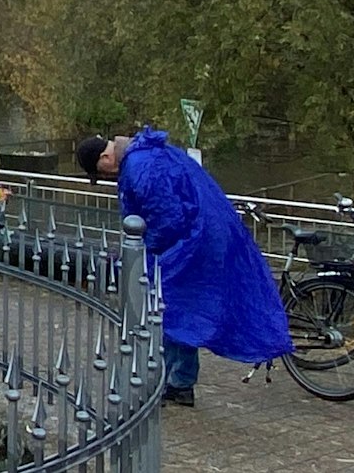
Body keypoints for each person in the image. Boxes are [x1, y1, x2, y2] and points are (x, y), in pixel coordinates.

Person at [76, 128, 291, 407]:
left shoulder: (139, 167)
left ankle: (163, 381)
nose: (107, 178)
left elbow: (167, 219)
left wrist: (143, 250)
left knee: (166, 311)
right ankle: (180, 383)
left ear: (105, 158)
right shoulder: (148, 154)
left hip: (190, 244)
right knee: (183, 311)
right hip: (204, 236)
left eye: (100, 173)